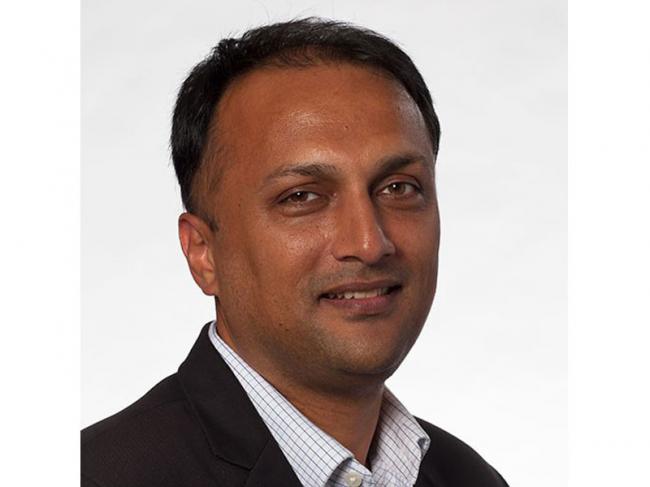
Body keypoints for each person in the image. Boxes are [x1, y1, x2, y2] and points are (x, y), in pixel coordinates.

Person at [81, 18, 509, 487]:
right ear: (203, 253)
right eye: (302, 196)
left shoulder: (468, 477)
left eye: (398, 187)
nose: (369, 243)